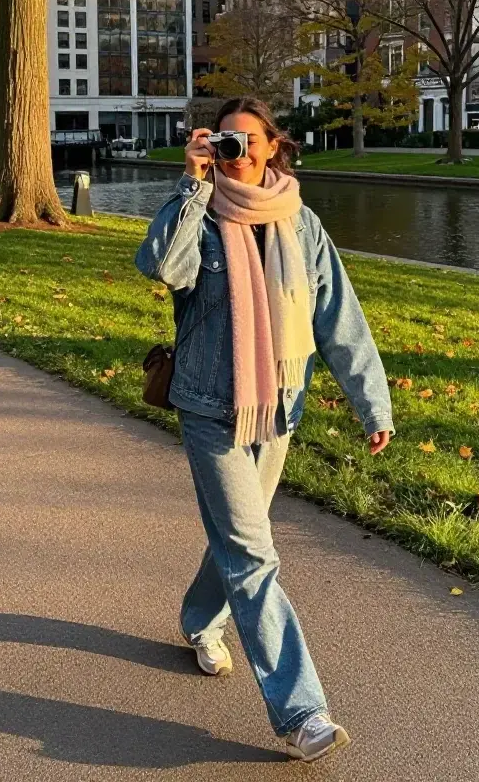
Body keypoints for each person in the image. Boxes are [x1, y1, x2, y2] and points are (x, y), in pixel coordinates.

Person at [135, 97, 394, 764]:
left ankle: (198, 621)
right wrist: (191, 185)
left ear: (273, 148)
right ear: (210, 147)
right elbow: (162, 267)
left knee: (235, 541)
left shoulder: (301, 224)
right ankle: (301, 712)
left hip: (279, 411)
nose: (238, 153)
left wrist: (374, 406)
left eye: (249, 142)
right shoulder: (198, 215)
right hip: (209, 410)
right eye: (225, 142)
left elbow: (340, 318)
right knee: (253, 555)